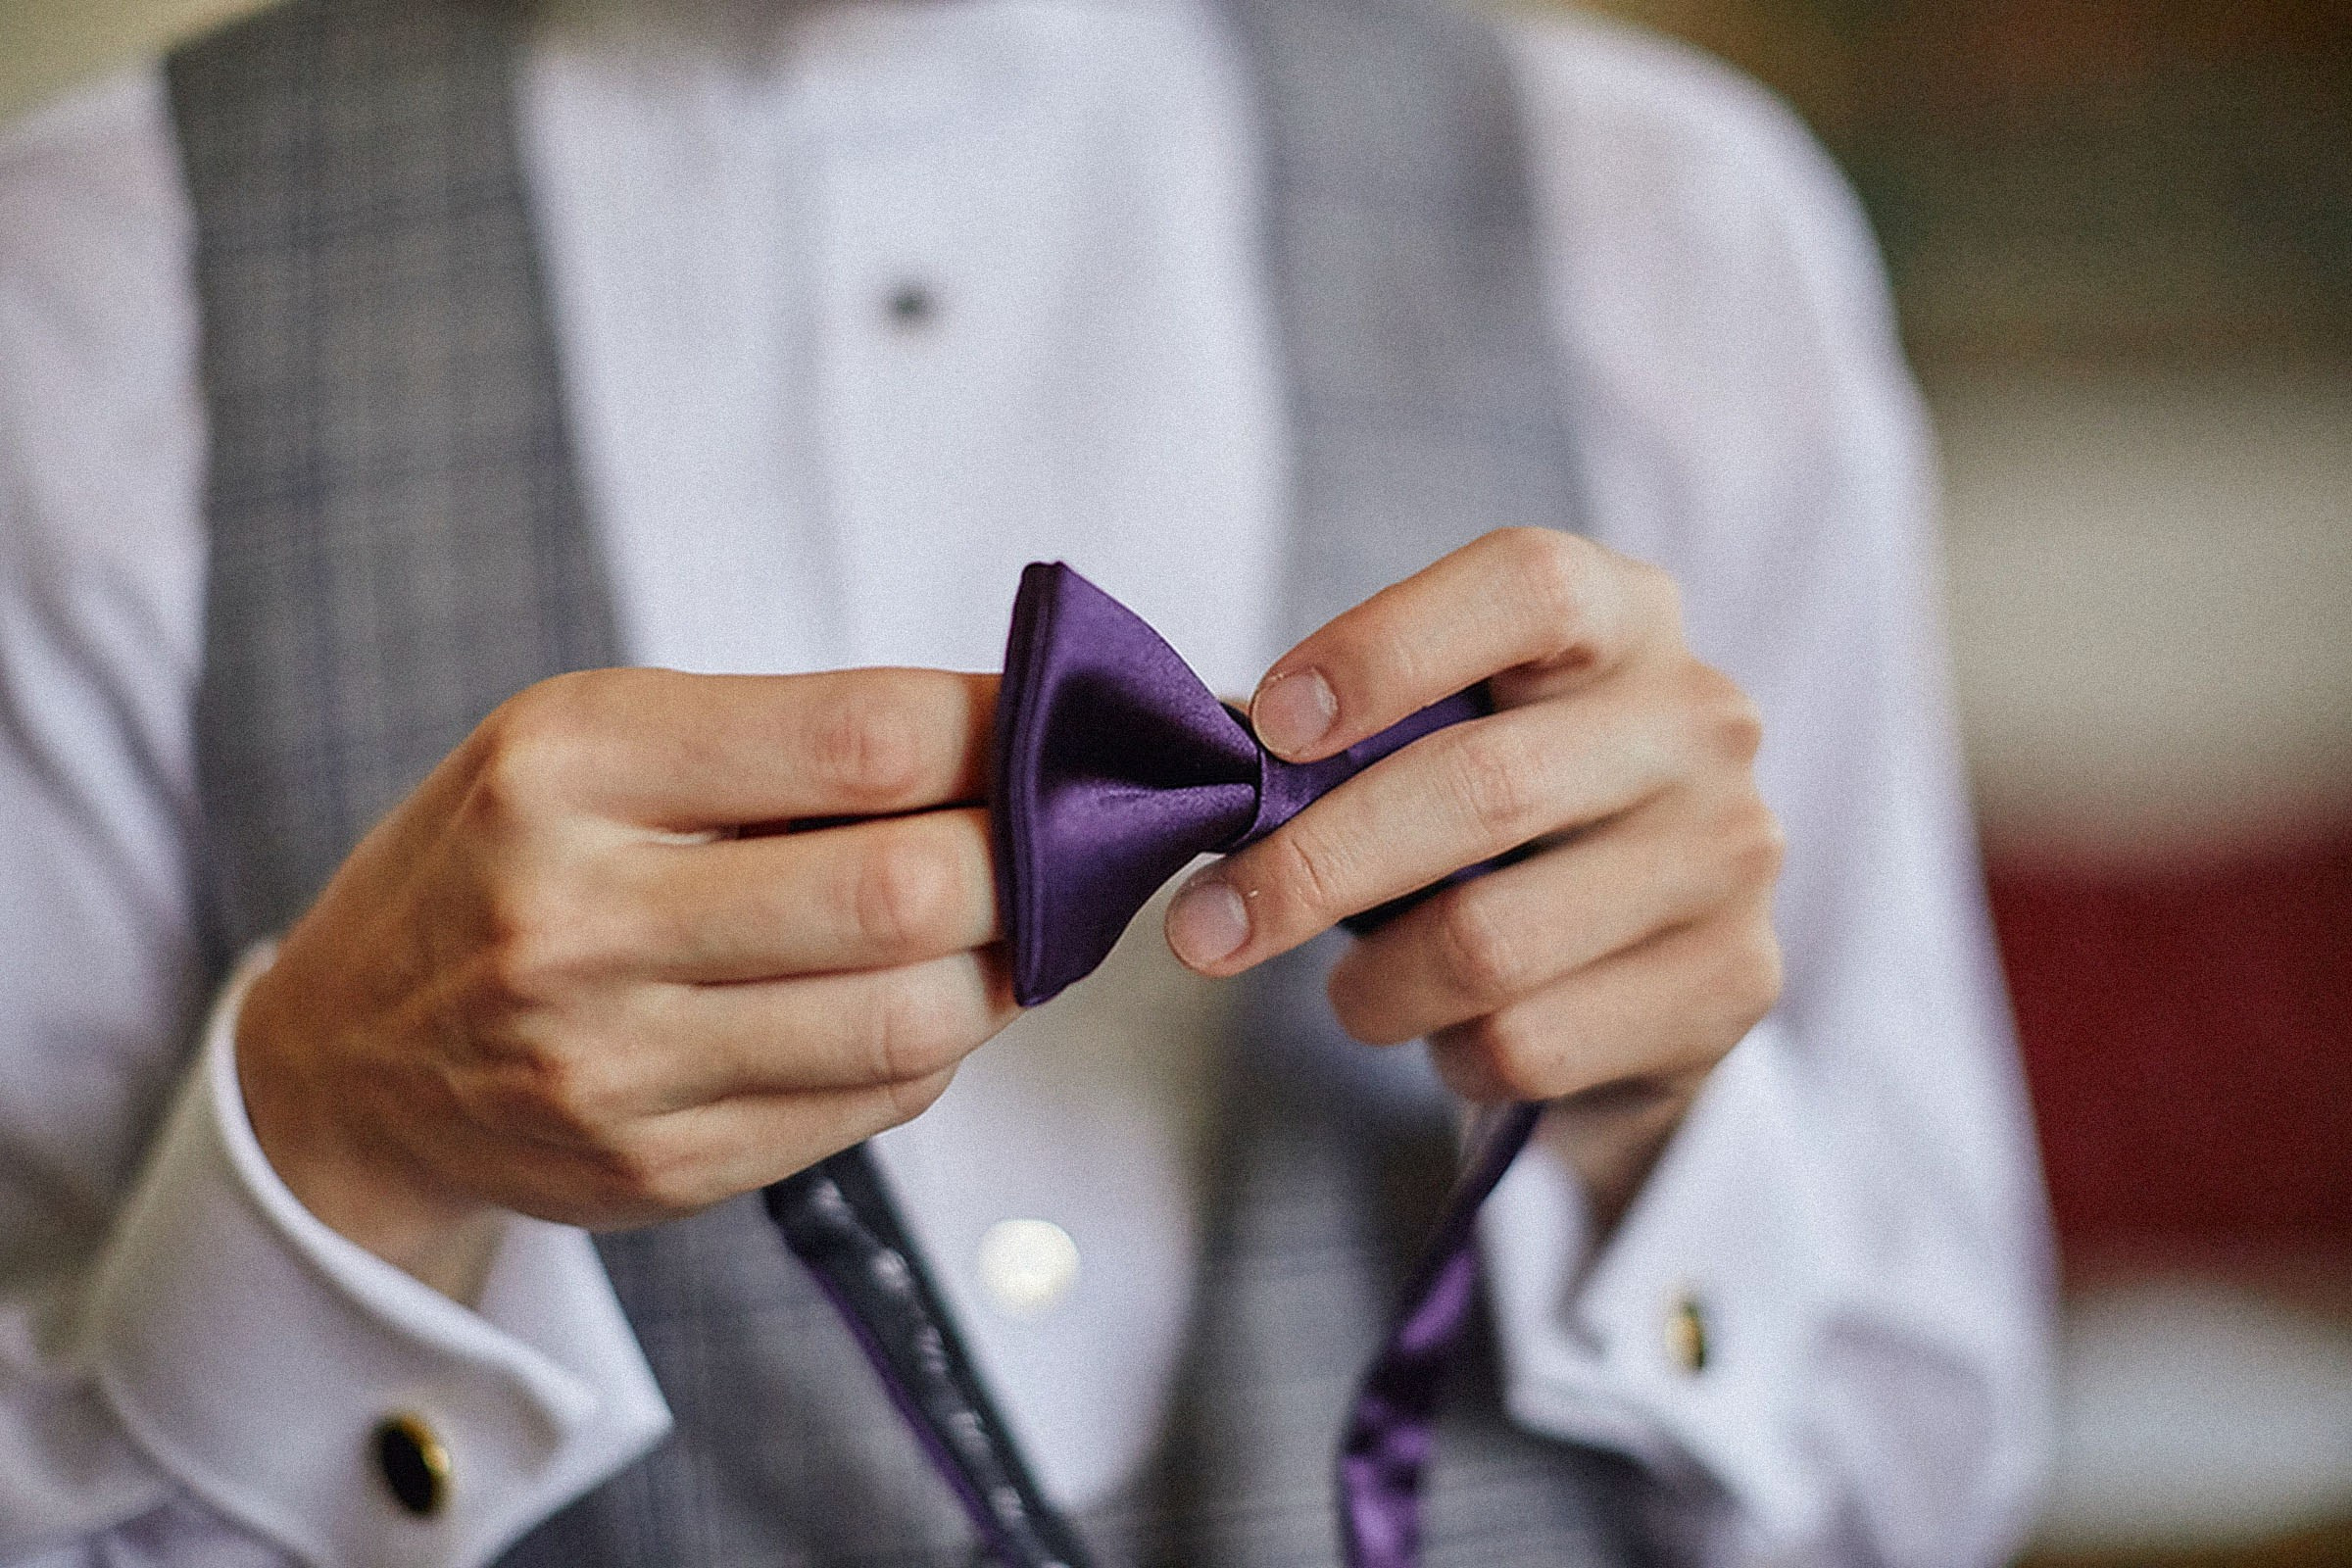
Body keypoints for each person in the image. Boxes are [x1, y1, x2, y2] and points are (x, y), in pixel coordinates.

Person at [0, 0, 2053, 1561]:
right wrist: (340, 1160)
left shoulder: (1679, 228)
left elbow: (1927, 1471)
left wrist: (1650, 1141)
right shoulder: (73, 293)